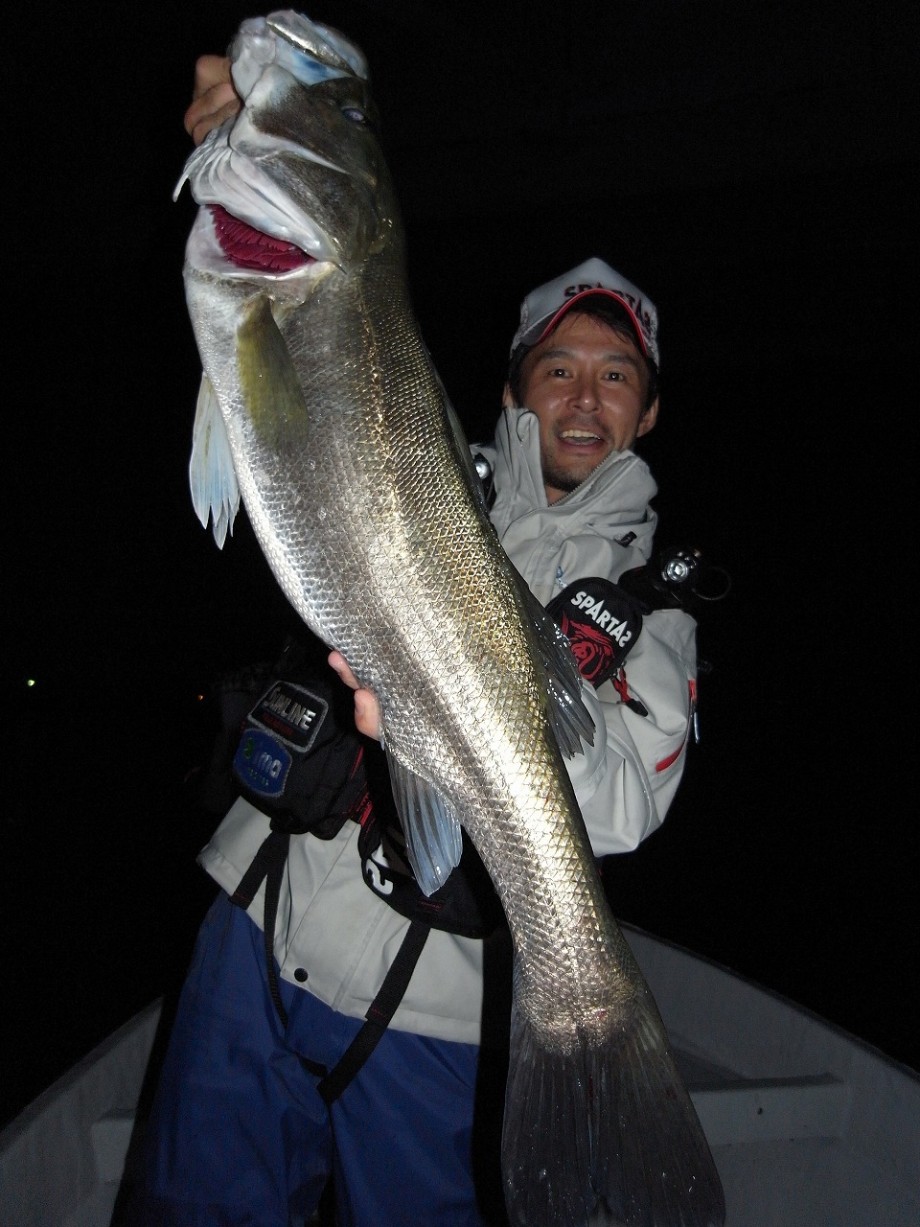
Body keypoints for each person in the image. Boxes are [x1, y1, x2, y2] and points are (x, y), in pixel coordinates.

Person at [120, 54, 700, 1227]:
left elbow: (631, 800)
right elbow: (286, 386)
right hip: (256, 918)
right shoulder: (427, 460)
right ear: (510, 389)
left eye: (614, 377)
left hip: (426, 1013)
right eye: (557, 369)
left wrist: (466, 727)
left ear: (645, 411)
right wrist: (247, 161)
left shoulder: (650, 605)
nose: (582, 400)